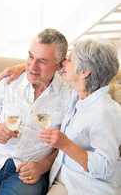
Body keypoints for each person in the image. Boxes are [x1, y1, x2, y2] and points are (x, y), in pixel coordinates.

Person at [0, 28, 71, 195]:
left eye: (42, 61)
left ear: (60, 63)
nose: (32, 67)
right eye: (30, 56)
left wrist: (42, 167)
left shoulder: (69, 95)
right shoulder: (9, 81)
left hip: (28, 172)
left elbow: (66, 145)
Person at [38, 39, 121, 195]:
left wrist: (66, 144)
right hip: (65, 177)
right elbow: (45, 68)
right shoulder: (77, 94)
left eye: (70, 59)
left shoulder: (105, 112)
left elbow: (105, 167)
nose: (64, 62)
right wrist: (21, 67)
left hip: (88, 186)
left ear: (84, 72)